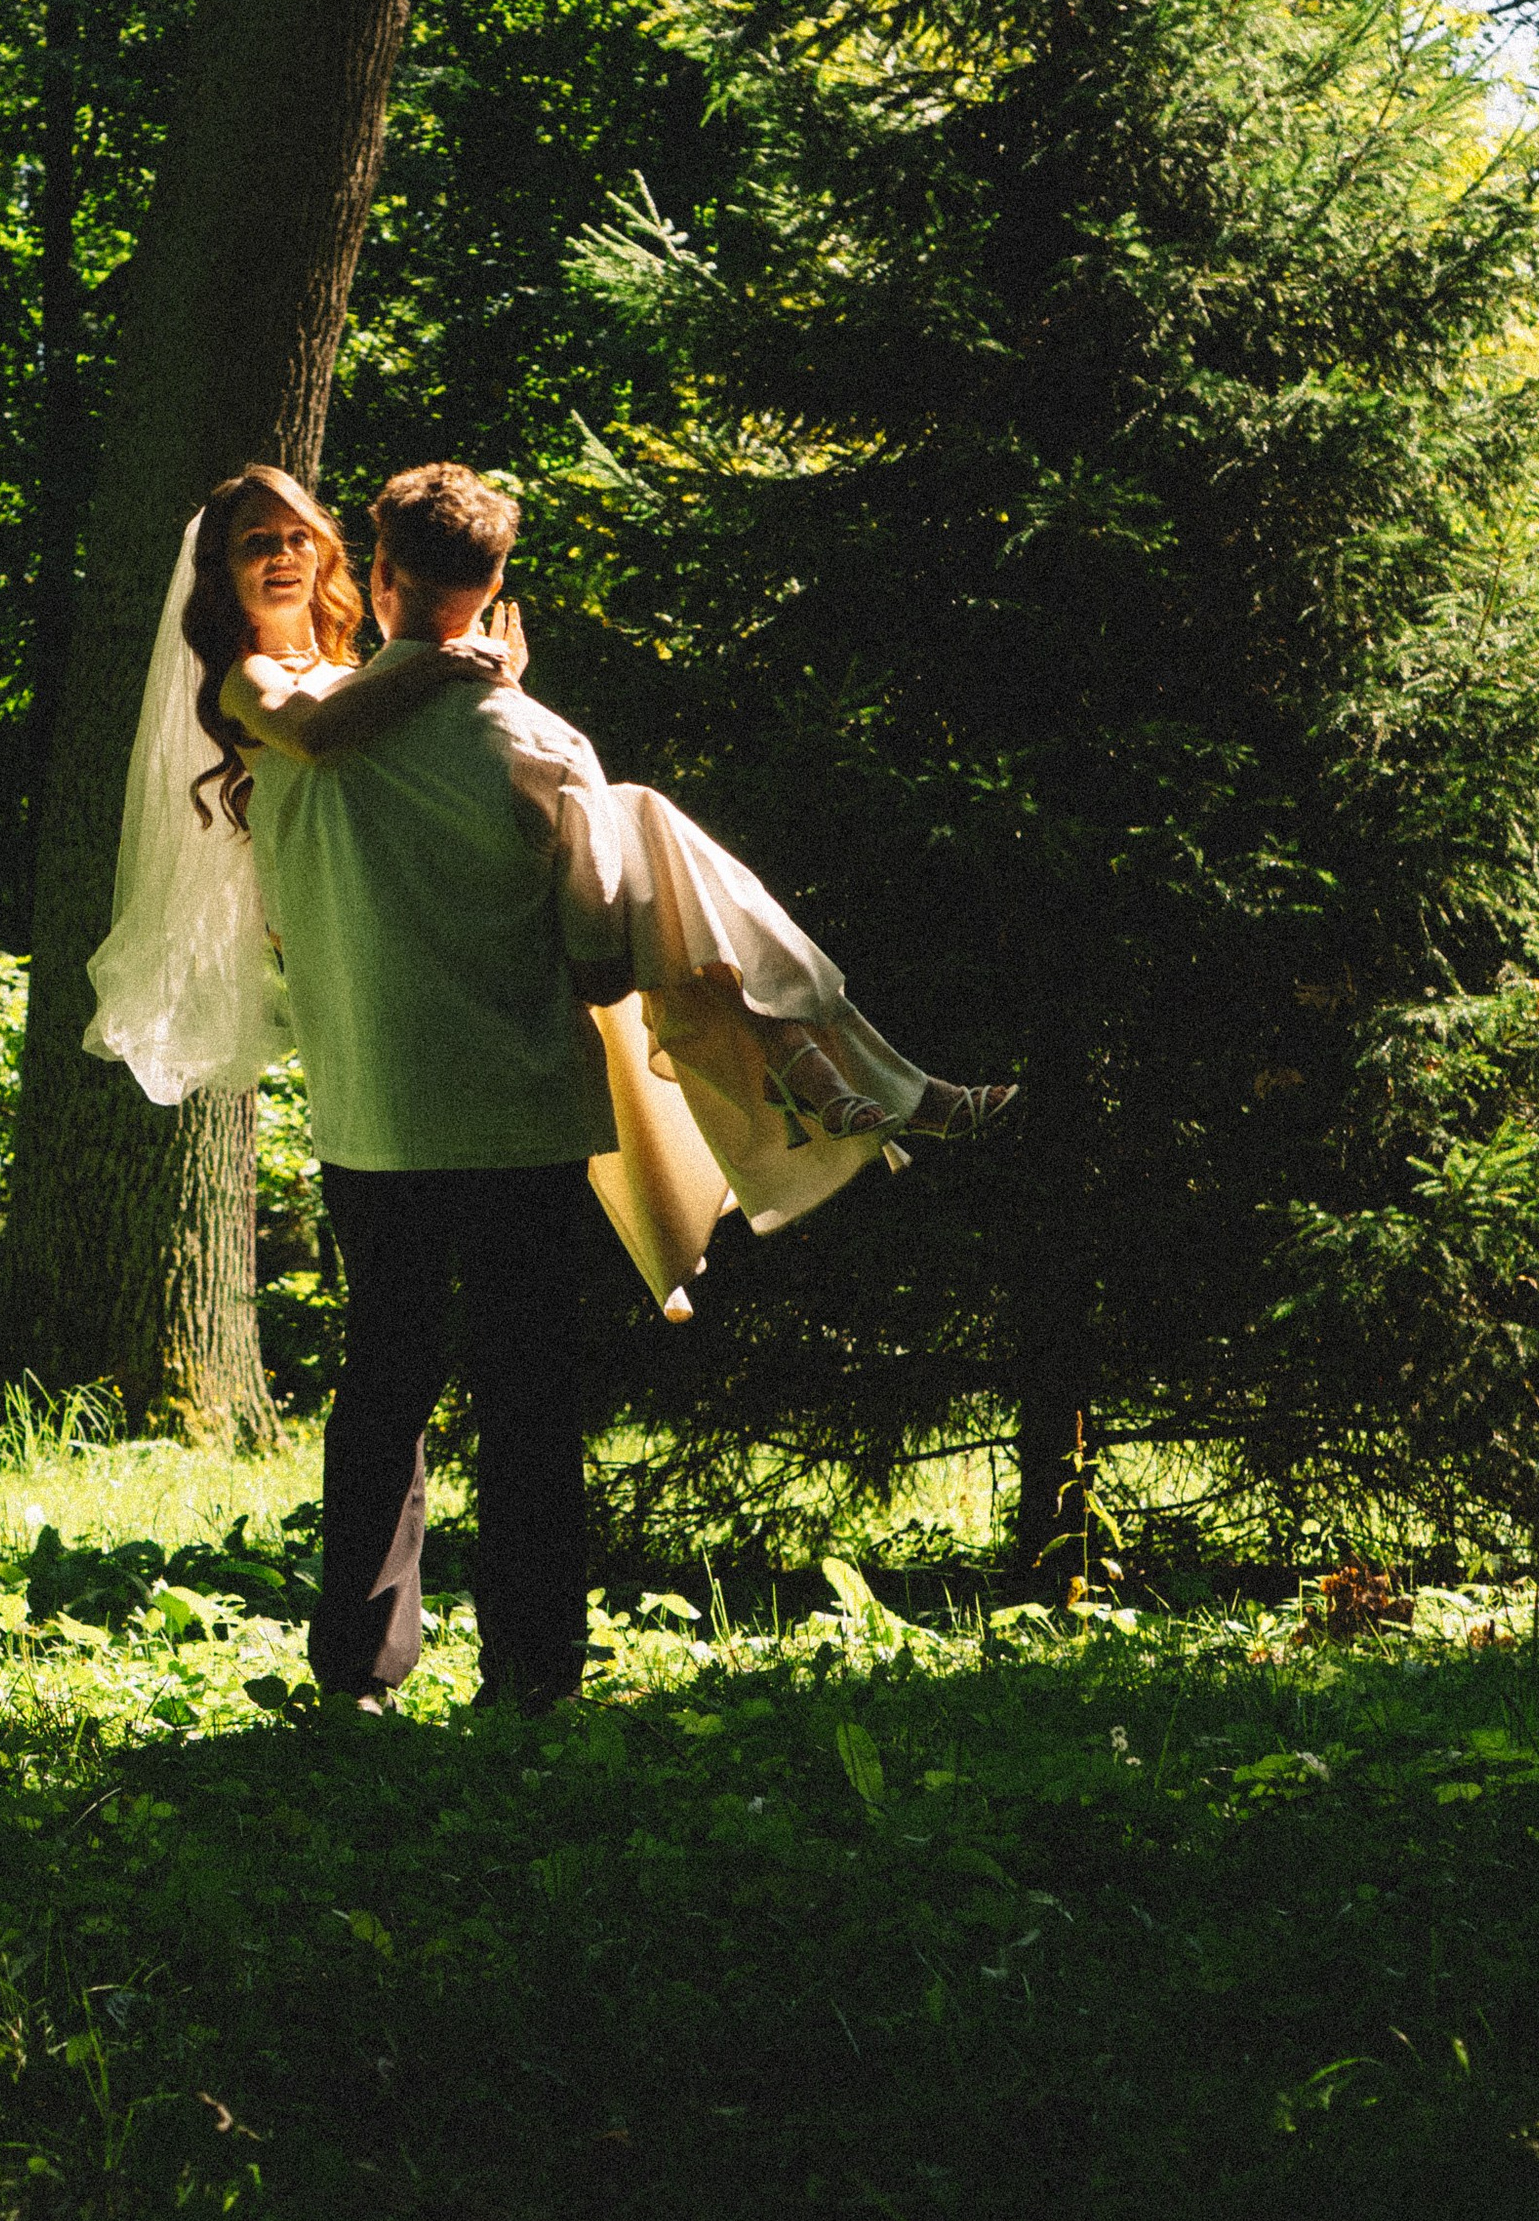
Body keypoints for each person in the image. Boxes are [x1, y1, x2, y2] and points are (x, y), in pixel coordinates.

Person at [84, 457, 1015, 1708]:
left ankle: (357, 1673)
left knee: (385, 1392)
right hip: (521, 1112)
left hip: (378, 1116)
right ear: (496, 582)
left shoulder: (278, 726)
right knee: (527, 1400)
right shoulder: (525, 736)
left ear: (383, 570)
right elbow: (589, 963)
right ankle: (533, 1674)